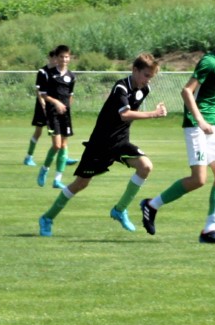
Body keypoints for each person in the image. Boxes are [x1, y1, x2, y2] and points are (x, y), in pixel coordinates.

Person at [139, 18, 215, 244]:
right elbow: (187, 92)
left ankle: (209, 230)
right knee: (199, 179)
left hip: (213, 124)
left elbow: (213, 94)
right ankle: (151, 205)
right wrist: (199, 120)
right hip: (196, 124)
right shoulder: (209, 61)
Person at [39, 53, 168, 237]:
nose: (148, 81)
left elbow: (129, 117)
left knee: (145, 166)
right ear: (135, 70)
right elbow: (125, 114)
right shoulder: (120, 87)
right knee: (80, 184)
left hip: (121, 142)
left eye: (151, 77)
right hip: (100, 144)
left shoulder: (143, 90)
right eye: (146, 75)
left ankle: (119, 209)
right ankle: (47, 217)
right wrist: (154, 114)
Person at [24, 51, 76, 168]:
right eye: (54, 58)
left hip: (56, 108)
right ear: (50, 58)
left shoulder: (63, 73)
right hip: (43, 106)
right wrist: (42, 103)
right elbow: (39, 91)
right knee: (38, 132)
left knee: (62, 134)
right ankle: (29, 156)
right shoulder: (43, 72)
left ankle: (63, 157)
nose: (56, 61)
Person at [35, 45, 75, 190]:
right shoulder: (49, 74)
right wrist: (56, 103)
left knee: (64, 146)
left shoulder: (71, 76)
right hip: (52, 113)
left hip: (65, 115)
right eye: (61, 57)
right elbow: (44, 95)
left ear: (69, 58)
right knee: (56, 145)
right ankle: (44, 169)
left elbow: (70, 96)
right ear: (56, 58)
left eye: (66, 57)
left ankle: (57, 179)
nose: (64, 59)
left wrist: (66, 108)